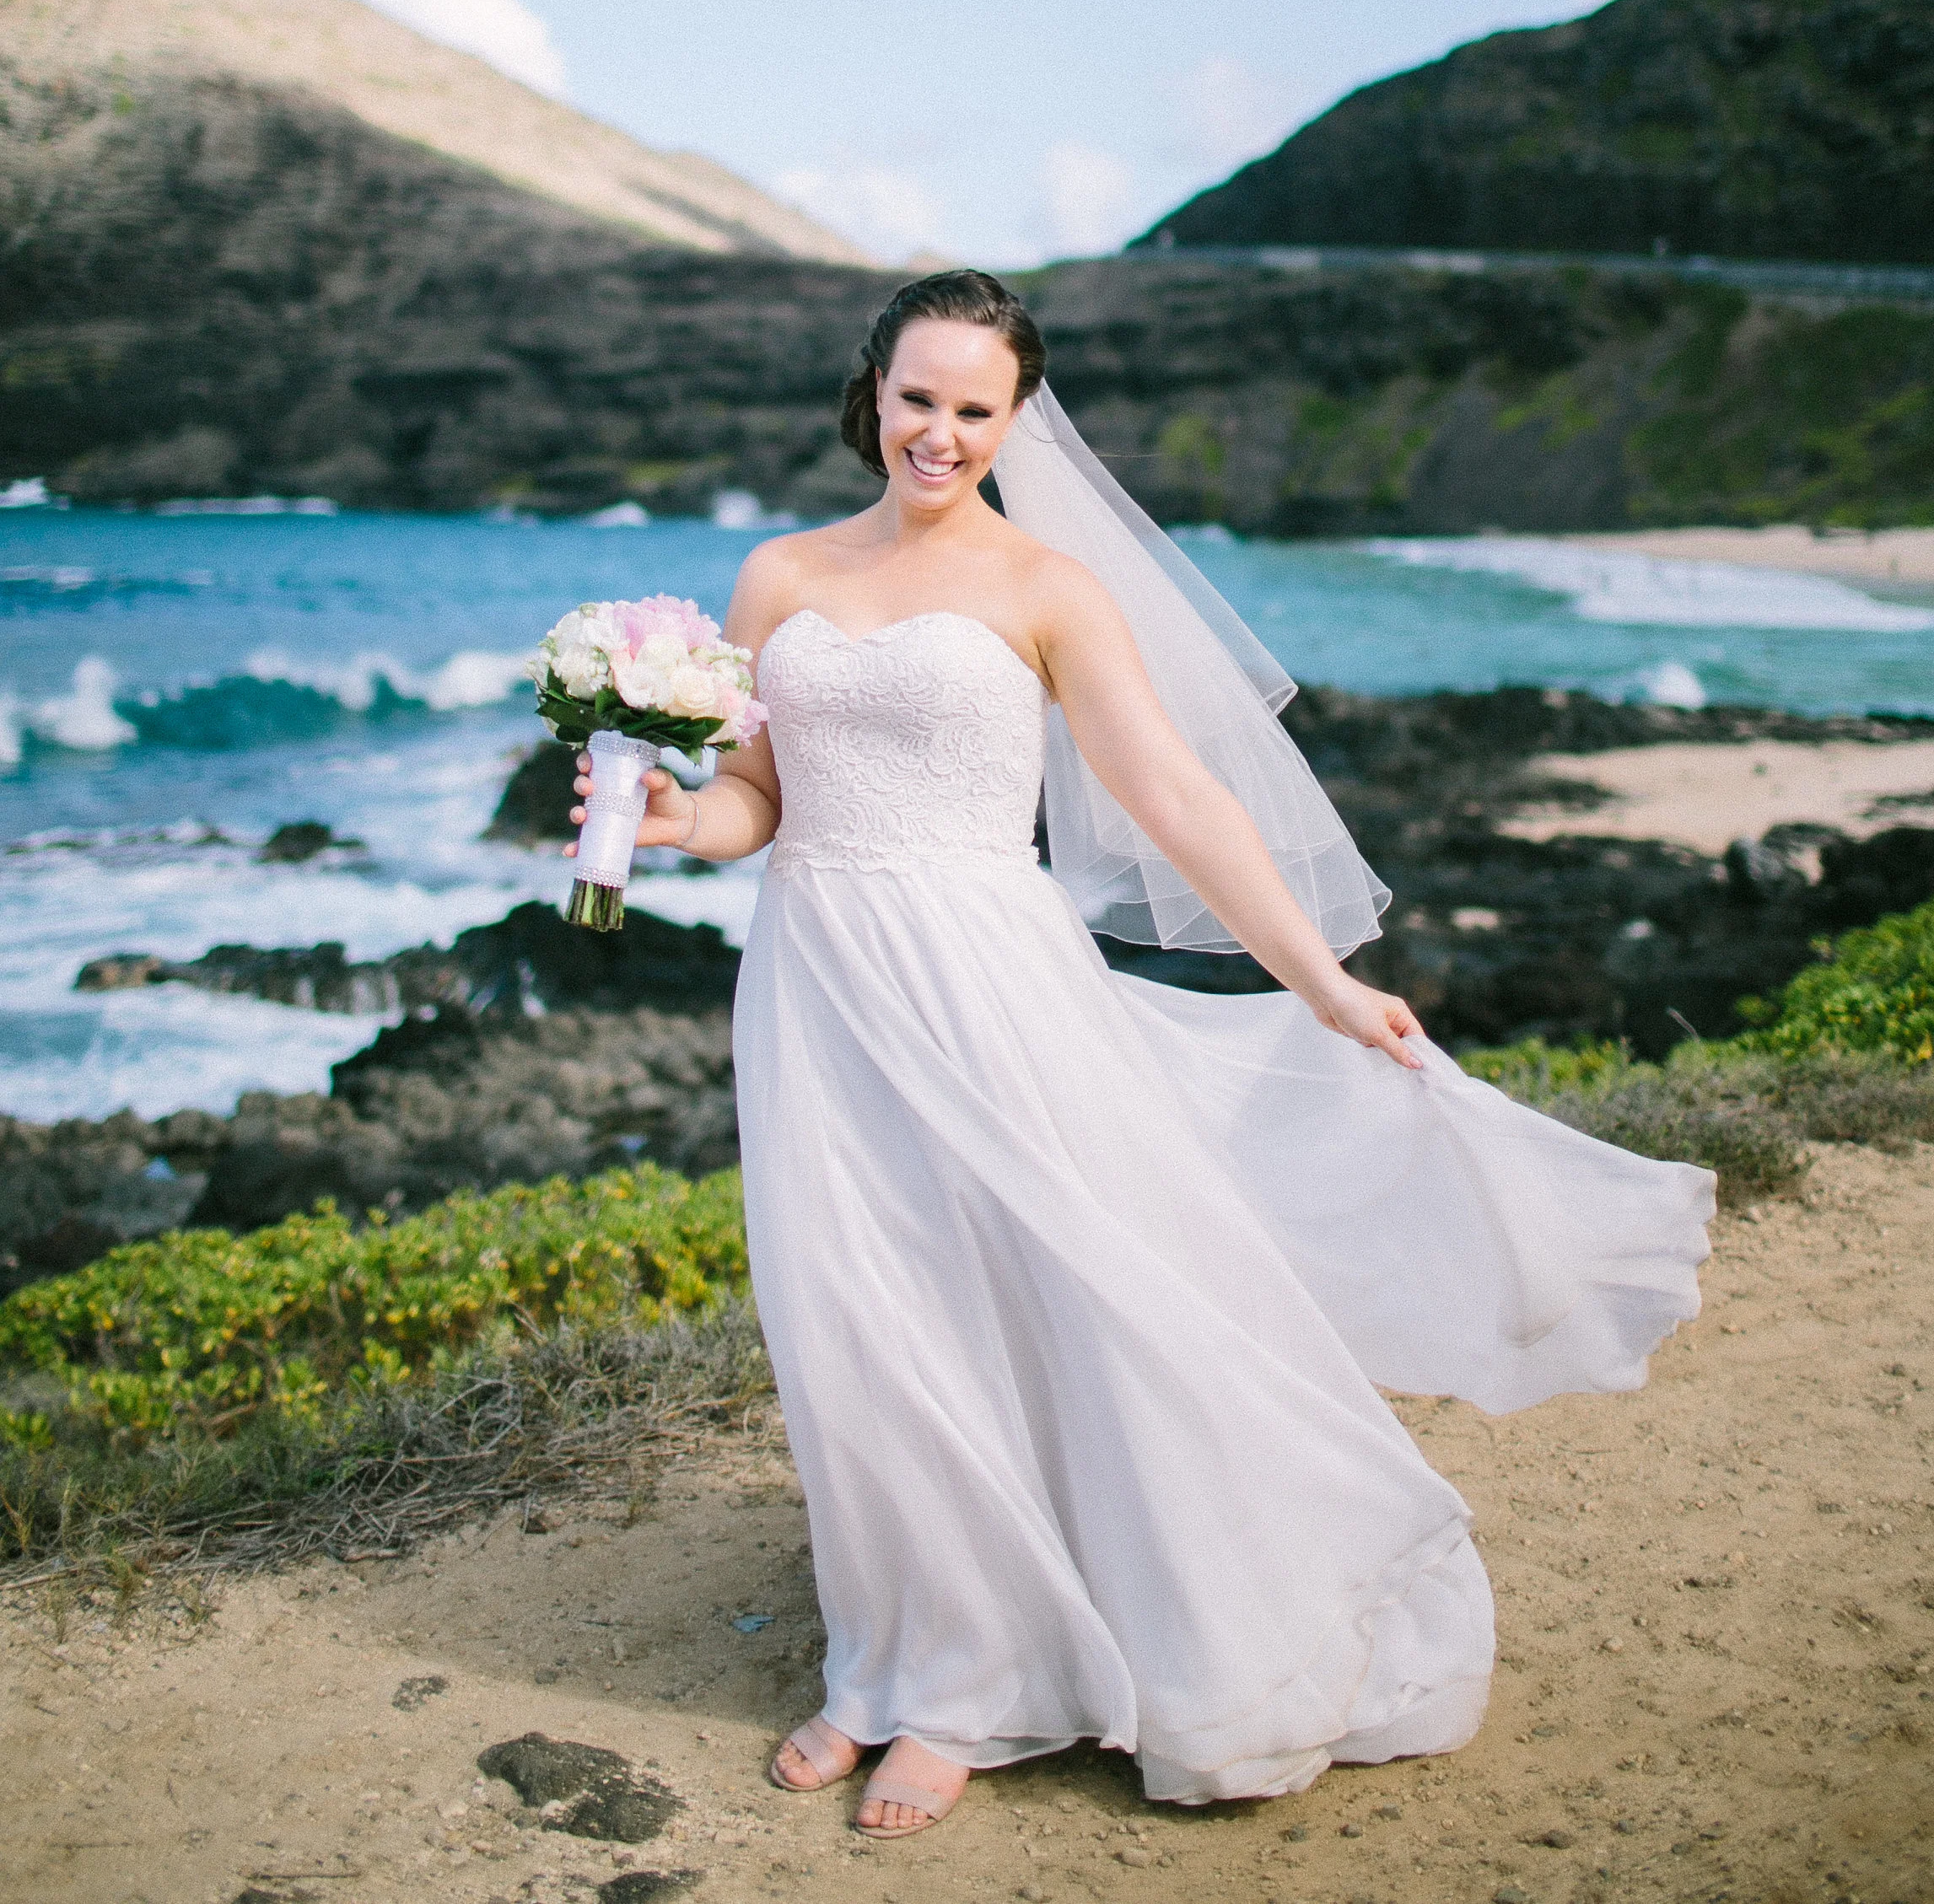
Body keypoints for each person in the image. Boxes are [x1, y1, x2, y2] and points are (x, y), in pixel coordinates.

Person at [570, 270, 1713, 1838]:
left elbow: (1175, 794)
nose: (942, 433)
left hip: (989, 979)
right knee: (853, 1312)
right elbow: (762, 801)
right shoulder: (775, 578)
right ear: (873, 392)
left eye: (977, 408)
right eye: (920, 398)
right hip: (817, 977)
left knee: (1004, 1303)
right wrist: (665, 816)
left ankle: (968, 1697)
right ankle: (884, 1664)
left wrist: (1322, 983)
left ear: (1015, 419)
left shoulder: (1049, 589)